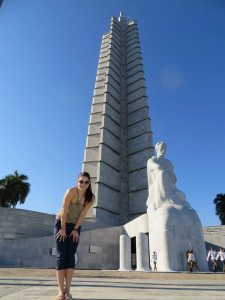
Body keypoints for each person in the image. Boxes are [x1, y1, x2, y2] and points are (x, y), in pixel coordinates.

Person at [54, 172, 95, 300]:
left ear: (89, 184)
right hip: (62, 223)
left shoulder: (90, 198)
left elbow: (82, 215)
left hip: (75, 227)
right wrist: (63, 228)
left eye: (86, 182)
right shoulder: (71, 191)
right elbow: (65, 209)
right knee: (61, 255)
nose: (83, 184)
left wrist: (76, 229)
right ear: (77, 182)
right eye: (81, 181)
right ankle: (61, 291)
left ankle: (68, 291)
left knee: (71, 256)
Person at [146, 142, 191, 210]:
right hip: (158, 186)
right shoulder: (152, 160)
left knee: (182, 197)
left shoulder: (169, 162)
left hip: (170, 186)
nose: (163, 151)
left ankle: (172, 198)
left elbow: (173, 175)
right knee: (162, 173)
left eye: (165, 149)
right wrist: (166, 171)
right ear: (157, 149)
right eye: (161, 149)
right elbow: (158, 168)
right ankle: (166, 199)